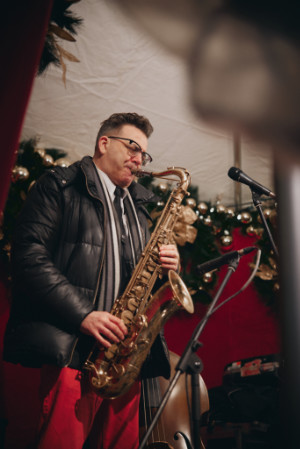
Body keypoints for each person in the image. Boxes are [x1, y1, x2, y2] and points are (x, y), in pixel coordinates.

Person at [3, 112, 180, 449]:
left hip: (124, 358)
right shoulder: (60, 185)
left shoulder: (139, 209)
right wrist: (84, 314)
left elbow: (139, 283)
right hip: (74, 349)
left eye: (144, 153)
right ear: (103, 143)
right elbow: (28, 256)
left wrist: (166, 266)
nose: (139, 159)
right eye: (132, 147)